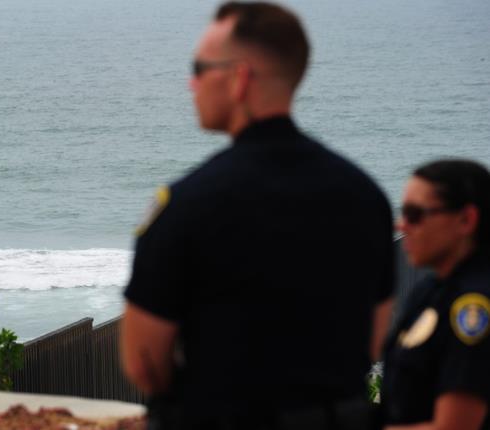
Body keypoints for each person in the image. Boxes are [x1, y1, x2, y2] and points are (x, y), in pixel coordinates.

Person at [120, 2, 395, 429]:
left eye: (200, 67)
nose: (192, 83)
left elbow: (144, 364)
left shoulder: (187, 203)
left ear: (239, 78)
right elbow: (374, 340)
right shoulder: (366, 196)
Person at [381, 160, 490, 430]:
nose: (401, 225)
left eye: (415, 215)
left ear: (466, 220)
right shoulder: (430, 291)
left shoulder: (474, 306)